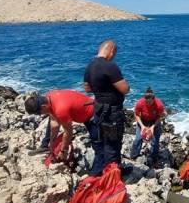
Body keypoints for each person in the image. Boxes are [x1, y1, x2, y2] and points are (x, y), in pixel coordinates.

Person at [82, 39, 129, 175]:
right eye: (114, 53)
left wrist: (101, 89)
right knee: (113, 144)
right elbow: (125, 89)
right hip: (112, 111)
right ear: (111, 50)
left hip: (98, 109)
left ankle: (109, 170)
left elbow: (87, 88)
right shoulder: (110, 66)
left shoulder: (89, 66)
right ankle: (113, 177)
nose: (114, 56)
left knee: (103, 141)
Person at [24, 90, 94, 162]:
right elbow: (54, 124)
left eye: (38, 113)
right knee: (51, 117)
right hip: (87, 107)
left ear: (43, 106)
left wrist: (63, 151)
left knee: (98, 145)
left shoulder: (60, 110)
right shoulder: (49, 97)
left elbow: (68, 132)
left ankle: (97, 171)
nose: (40, 115)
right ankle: (45, 146)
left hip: (92, 115)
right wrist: (52, 143)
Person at [130, 87, 165, 165]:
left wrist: (152, 127)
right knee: (138, 138)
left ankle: (154, 159)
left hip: (155, 120)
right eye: (146, 102)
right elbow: (136, 114)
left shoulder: (159, 105)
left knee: (155, 141)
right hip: (143, 120)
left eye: (150, 102)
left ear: (153, 99)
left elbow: (160, 116)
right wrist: (142, 126)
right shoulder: (140, 102)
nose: (148, 104)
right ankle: (133, 156)